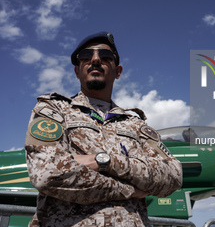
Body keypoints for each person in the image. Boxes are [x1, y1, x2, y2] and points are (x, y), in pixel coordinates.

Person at [25, 31, 183, 226]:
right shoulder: (53, 110)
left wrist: (106, 162)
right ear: (77, 70)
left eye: (106, 57)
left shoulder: (136, 124)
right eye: (86, 56)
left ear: (118, 71)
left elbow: (172, 175)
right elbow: (48, 174)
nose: (96, 60)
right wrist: (130, 190)